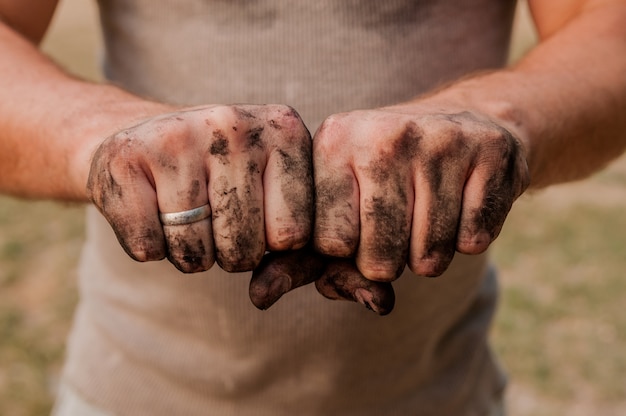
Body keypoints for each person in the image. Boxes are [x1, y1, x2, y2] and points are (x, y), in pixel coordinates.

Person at [1, 0, 625, 415]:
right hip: (130, 395)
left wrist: (499, 121)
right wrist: (107, 140)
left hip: (438, 395)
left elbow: (608, 27)